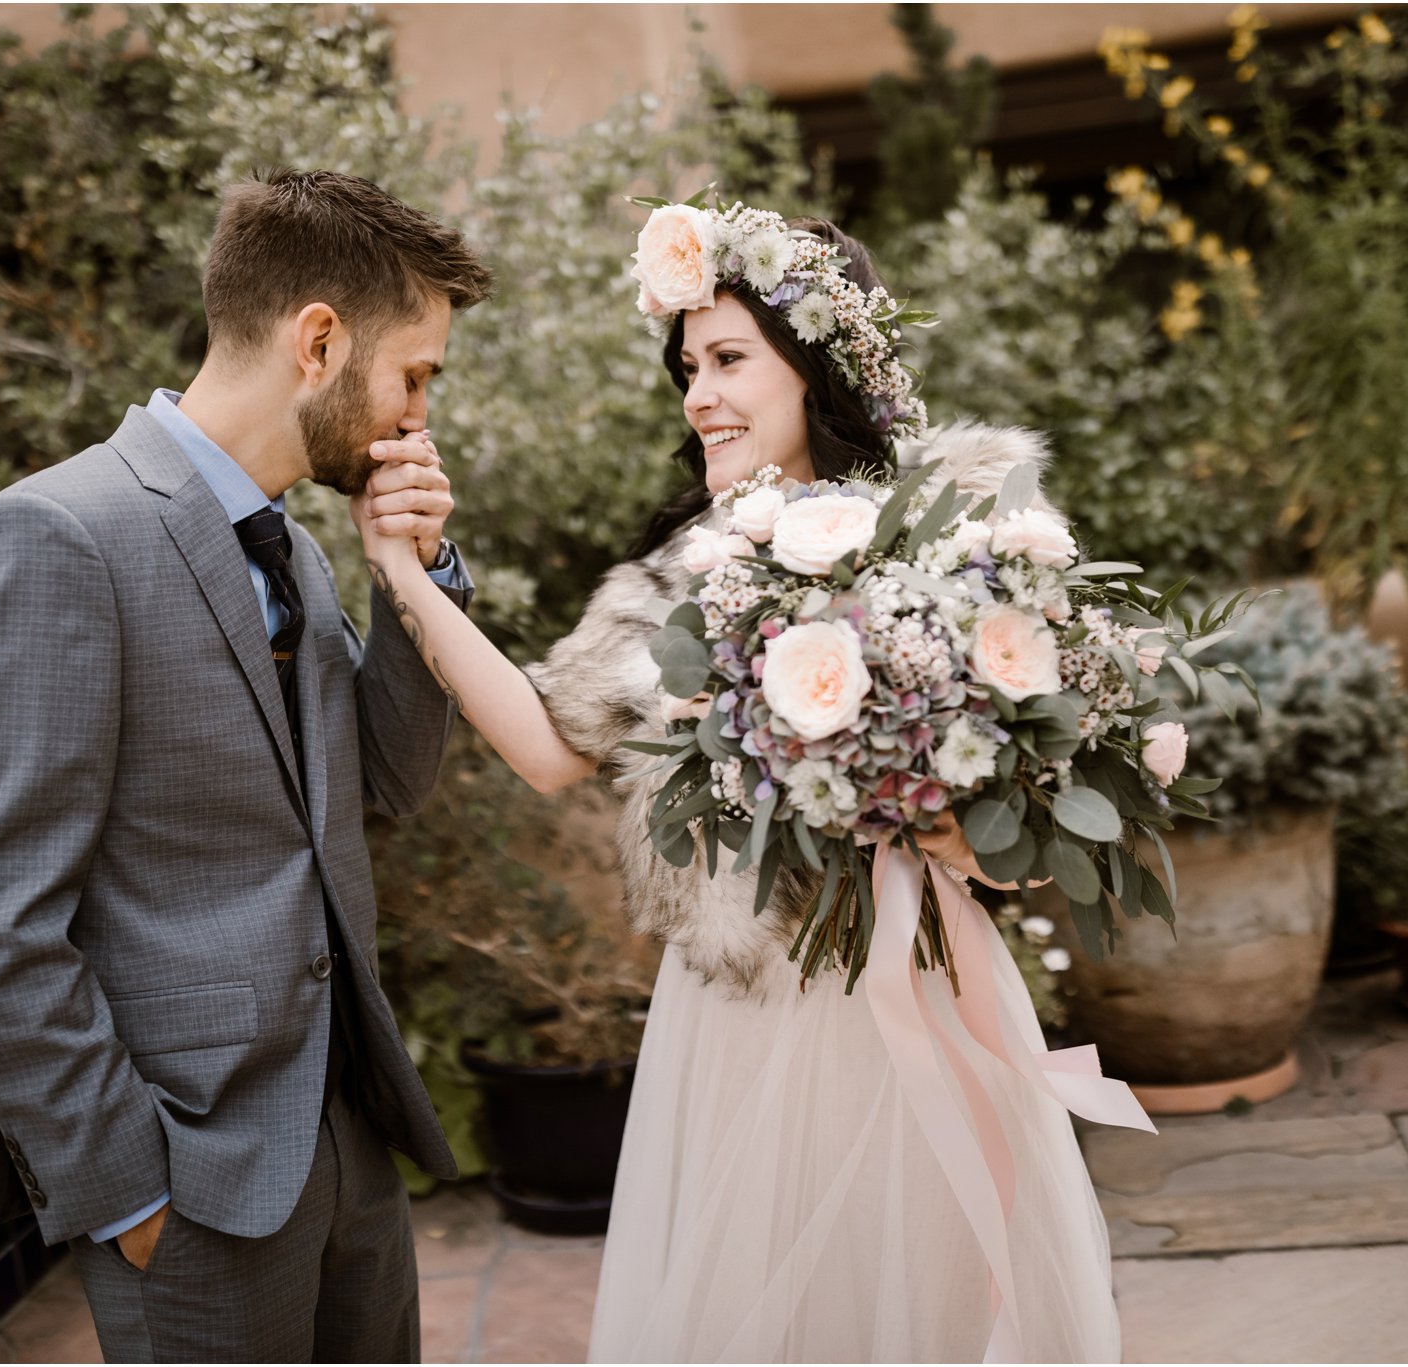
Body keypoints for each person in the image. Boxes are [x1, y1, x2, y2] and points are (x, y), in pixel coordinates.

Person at [355, 205, 1145, 1362]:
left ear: (813, 364)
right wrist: (403, 573)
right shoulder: (687, 571)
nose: (697, 395)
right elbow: (543, 740)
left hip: (917, 988)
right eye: (686, 367)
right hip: (740, 1010)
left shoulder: (957, 547)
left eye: (727, 358)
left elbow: (1022, 805)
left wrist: (943, 807)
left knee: (927, 1300)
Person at [0, 168, 490, 1363]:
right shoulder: (58, 534)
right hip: (188, 1178)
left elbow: (385, 777)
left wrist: (412, 580)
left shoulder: (302, 551)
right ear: (318, 340)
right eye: (414, 374)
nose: (417, 415)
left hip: (350, 1140)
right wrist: (127, 1193)